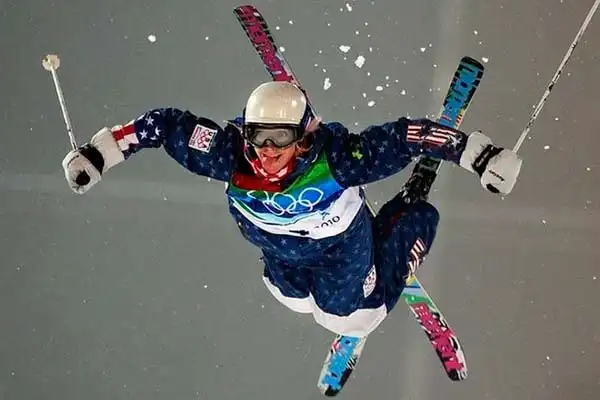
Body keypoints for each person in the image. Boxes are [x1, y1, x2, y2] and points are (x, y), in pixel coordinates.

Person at [62, 81, 522, 344]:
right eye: (258, 135)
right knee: (292, 299)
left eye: (280, 138)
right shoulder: (226, 155)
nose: (266, 150)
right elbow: (162, 126)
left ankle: (409, 217)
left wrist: (479, 155)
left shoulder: (339, 159)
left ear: (302, 136)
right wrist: (100, 154)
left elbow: (410, 137)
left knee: (350, 318)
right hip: (281, 255)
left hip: (340, 252)